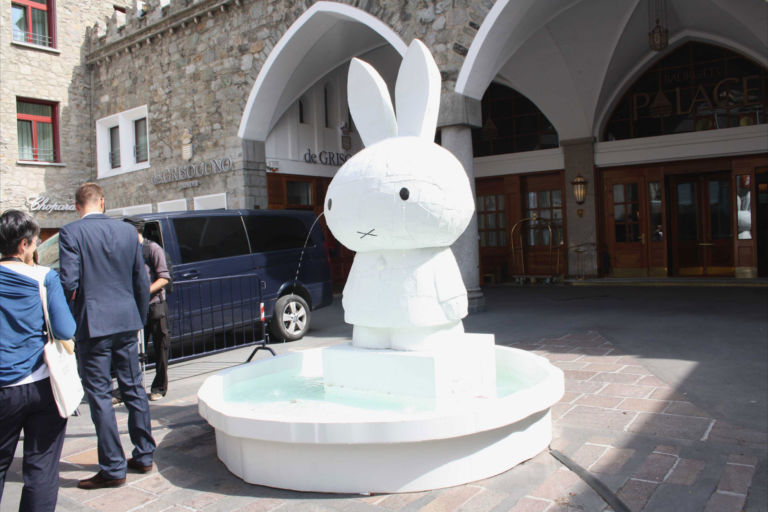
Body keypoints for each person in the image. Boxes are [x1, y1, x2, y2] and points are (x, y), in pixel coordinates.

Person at [58, 183, 155, 490]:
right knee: (133, 389)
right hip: (126, 321)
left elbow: (68, 283)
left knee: (100, 396)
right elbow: (141, 280)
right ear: (102, 202)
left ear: (77, 206)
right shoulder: (128, 232)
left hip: (93, 325)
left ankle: (113, 467)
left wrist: (70, 320)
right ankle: (144, 455)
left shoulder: (71, 233)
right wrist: (138, 318)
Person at [0, 210, 76, 511]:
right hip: (42, 385)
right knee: (41, 468)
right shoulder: (44, 278)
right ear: (24, 245)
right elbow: (65, 329)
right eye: (34, 243)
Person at [124, 217, 171, 401]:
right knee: (131, 349)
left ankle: (159, 387)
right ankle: (130, 388)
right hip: (133, 307)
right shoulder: (125, 251)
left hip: (154, 305)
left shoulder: (152, 248)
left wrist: (144, 292)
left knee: (160, 347)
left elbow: (164, 277)